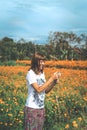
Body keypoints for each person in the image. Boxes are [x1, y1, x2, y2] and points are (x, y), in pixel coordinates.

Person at [24, 52, 61, 130]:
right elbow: (38, 89)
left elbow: (45, 91)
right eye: (41, 61)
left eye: (44, 61)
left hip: (41, 108)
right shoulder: (30, 73)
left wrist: (54, 82)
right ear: (35, 62)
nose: (43, 63)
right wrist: (51, 78)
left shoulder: (42, 73)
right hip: (32, 108)